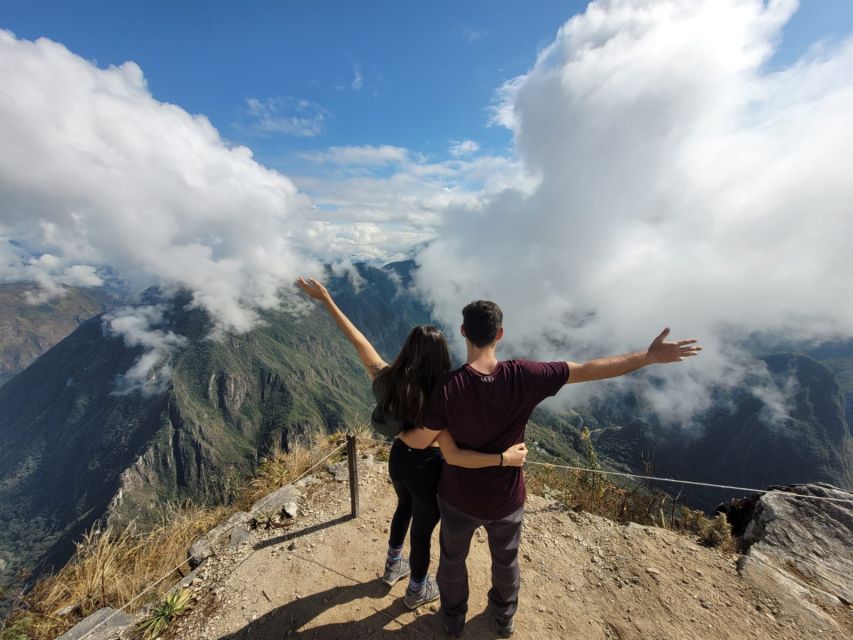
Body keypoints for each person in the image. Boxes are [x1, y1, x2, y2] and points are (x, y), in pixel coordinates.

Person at [402, 300, 702, 637]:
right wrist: (648, 357)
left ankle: (453, 619)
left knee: (452, 562)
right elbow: (589, 369)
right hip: (507, 499)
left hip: (459, 498)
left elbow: (421, 440)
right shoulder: (526, 376)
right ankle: (504, 616)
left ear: (462, 332)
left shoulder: (447, 388)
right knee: (506, 561)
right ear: (500, 334)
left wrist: (396, 427)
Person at [295, 279, 528, 611]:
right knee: (422, 529)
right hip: (427, 467)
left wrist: (327, 299)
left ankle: (393, 565)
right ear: (442, 357)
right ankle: (417, 589)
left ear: (408, 350)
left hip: (398, 459)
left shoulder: (388, 379)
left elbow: (357, 340)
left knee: (403, 507)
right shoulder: (446, 393)